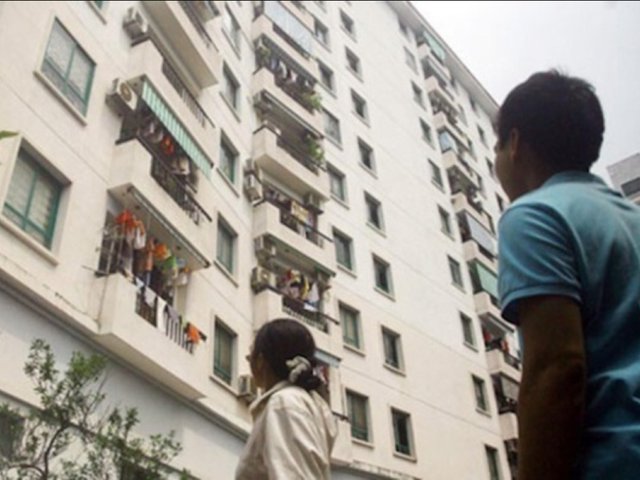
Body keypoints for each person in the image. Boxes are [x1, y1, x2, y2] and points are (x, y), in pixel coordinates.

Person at [495, 70, 640, 479]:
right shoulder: (630, 218)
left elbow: (557, 369)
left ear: (515, 143)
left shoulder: (533, 215)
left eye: (496, 145)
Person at [235, 318, 337, 479]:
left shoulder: (284, 403)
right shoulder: (308, 403)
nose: (249, 361)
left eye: (250, 355)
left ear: (260, 361)